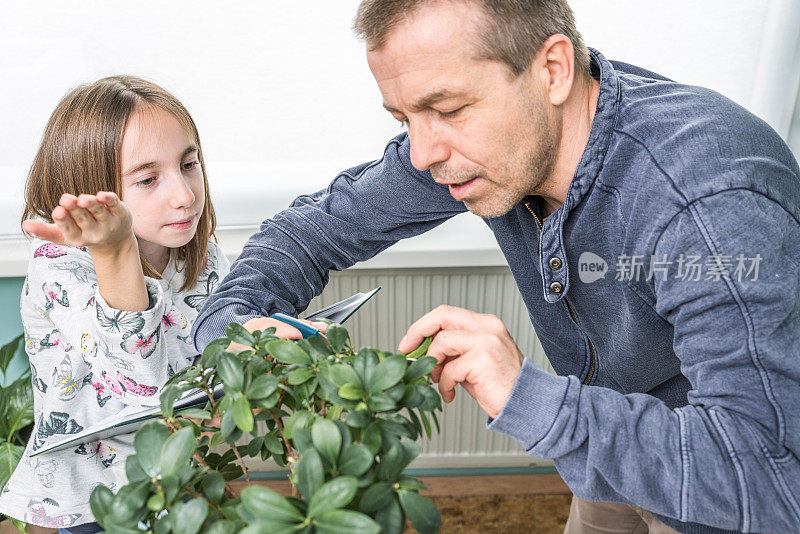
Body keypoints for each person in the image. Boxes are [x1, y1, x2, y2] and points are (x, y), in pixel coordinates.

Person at [192, 1, 800, 532]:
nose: (423, 153)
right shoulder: (488, 147)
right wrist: (230, 333)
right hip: (603, 465)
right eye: (404, 119)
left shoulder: (706, 203)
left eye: (448, 108)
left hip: (718, 501)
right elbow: (309, 232)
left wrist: (532, 398)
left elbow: (776, 476)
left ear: (553, 69)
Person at [0, 76, 301, 534]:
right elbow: (142, 386)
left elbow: (210, 355)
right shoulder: (59, 267)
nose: (183, 195)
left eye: (189, 164)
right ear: (90, 189)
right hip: (91, 501)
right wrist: (115, 251)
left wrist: (251, 349)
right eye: (148, 179)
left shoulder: (194, 254)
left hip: (179, 476)